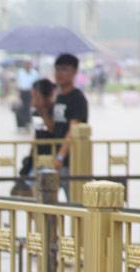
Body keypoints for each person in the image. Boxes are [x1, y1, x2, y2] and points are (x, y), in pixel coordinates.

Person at [36, 53, 89, 197]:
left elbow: (73, 129)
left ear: (74, 72)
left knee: (74, 200)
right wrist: (43, 110)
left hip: (70, 160)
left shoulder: (77, 98)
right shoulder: (59, 97)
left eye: (64, 69)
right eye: (57, 69)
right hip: (54, 158)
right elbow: (54, 127)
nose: (59, 74)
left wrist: (60, 156)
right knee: (47, 201)